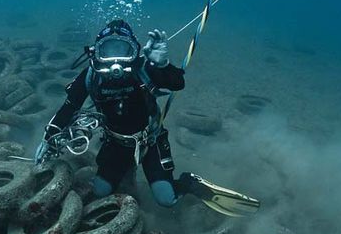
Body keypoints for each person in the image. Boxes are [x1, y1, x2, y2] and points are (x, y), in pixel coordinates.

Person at [36, 19, 258, 215]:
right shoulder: (91, 76)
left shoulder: (143, 68)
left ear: (135, 51)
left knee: (166, 200)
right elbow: (68, 107)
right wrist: (48, 138)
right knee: (100, 191)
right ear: (96, 52)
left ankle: (190, 183)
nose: (116, 62)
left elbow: (177, 83)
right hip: (115, 144)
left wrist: (161, 65)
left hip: (150, 142)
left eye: (123, 50)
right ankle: (126, 176)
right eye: (108, 50)